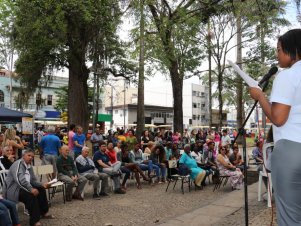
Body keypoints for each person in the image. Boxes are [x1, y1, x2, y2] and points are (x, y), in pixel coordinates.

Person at [249, 29, 301, 225]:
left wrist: (260, 96)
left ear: (293, 50)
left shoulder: (288, 76)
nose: (276, 54)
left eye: (279, 49)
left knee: (290, 216)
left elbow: (278, 118)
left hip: (291, 151)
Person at [3, 149, 54, 226]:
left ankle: (44, 212)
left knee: (41, 189)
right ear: (23, 156)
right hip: (14, 189)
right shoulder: (18, 164)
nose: (31, 158)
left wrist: (41, 184)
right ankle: (34, 221)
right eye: (29, 155)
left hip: (24, 186)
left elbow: (33, 180)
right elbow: (20, 180)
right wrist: (31, 189)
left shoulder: (29, 166)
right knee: (31, 195)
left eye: (32, 156)